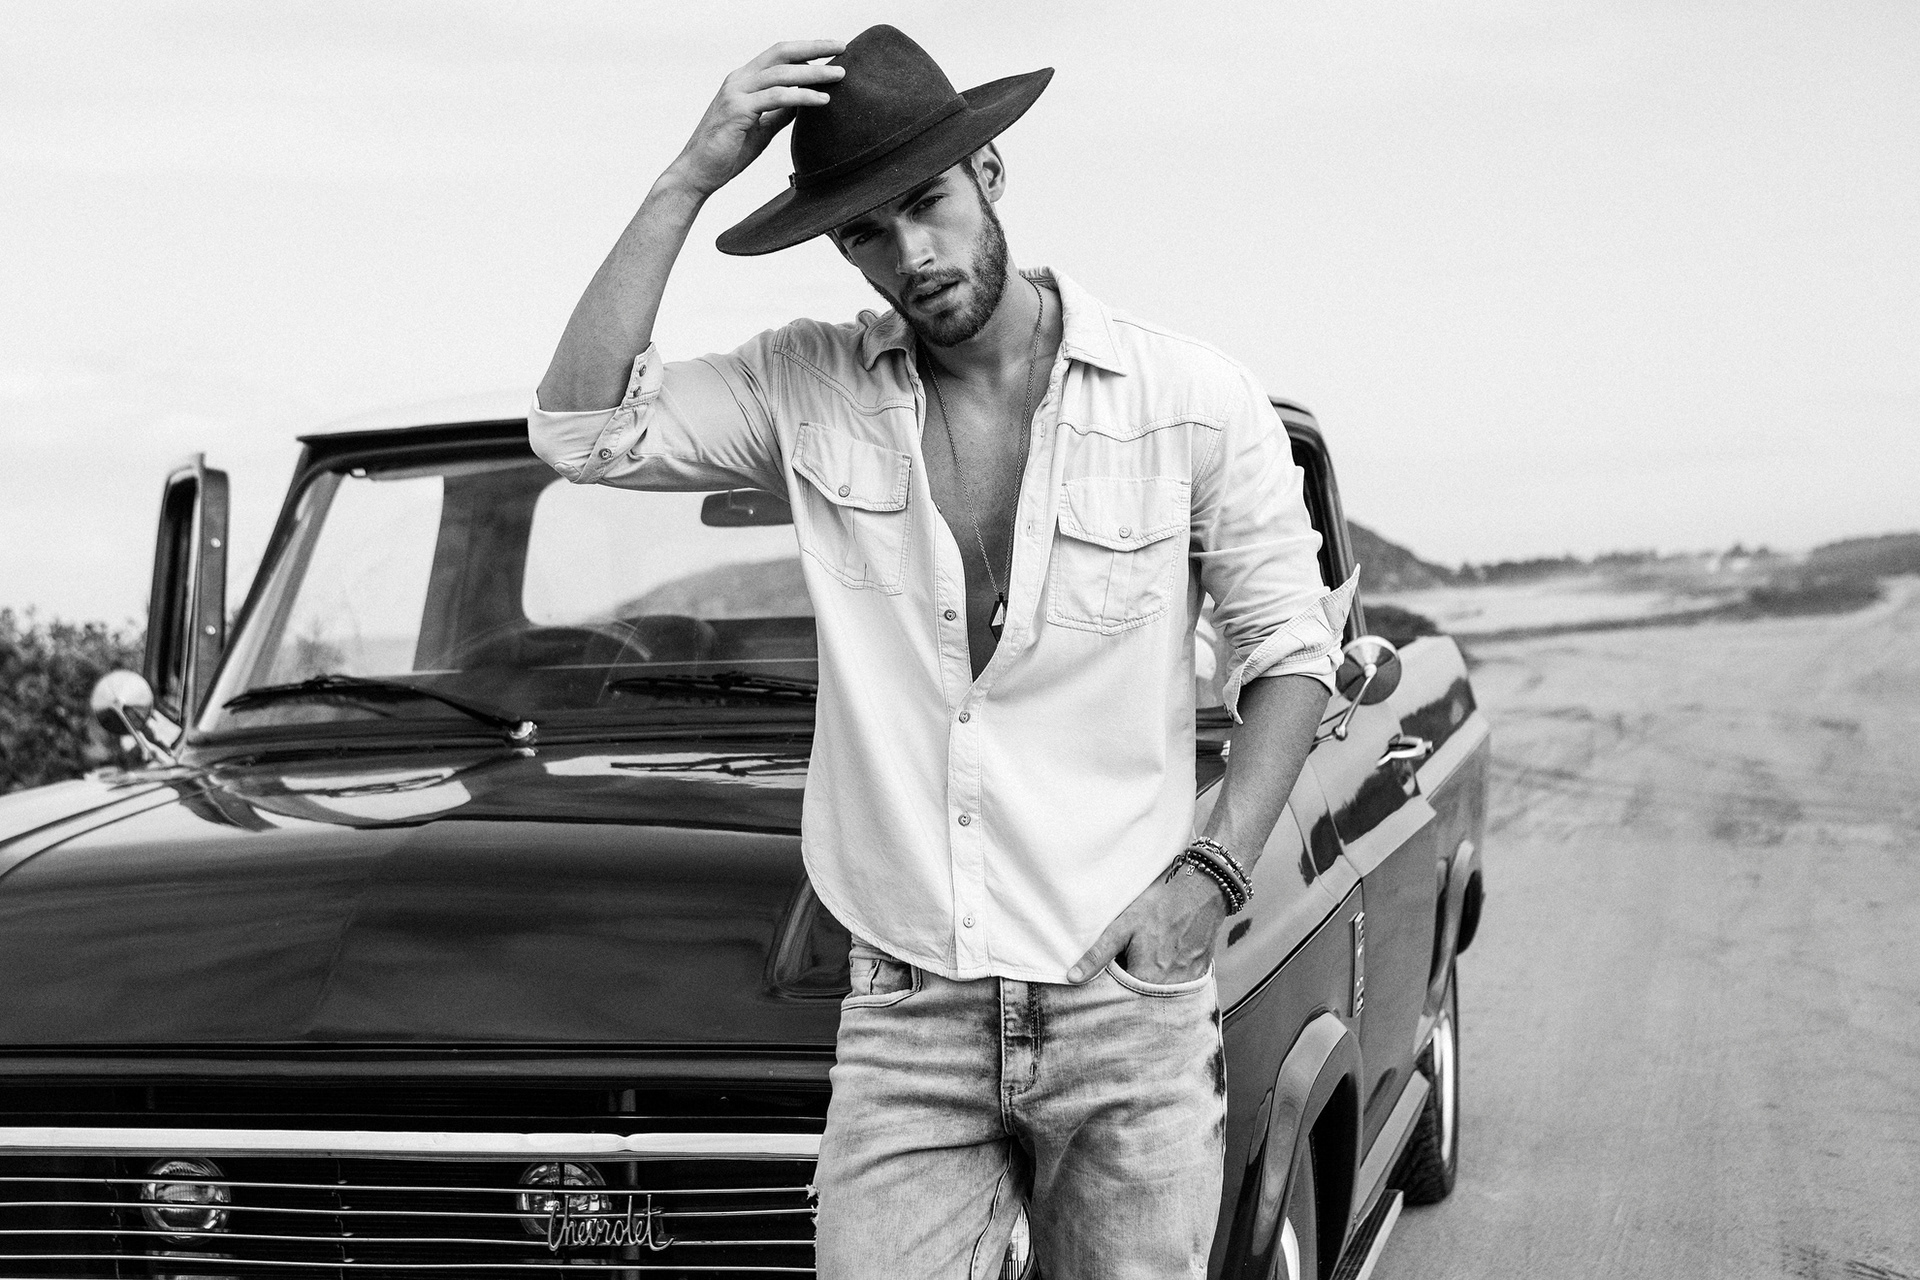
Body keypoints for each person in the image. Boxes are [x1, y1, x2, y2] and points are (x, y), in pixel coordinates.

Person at [529, 25, 1354, 1280]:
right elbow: (581, 430)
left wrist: (1208, 878)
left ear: (992, 176)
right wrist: (686, 180)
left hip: (1121, 991)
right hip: (909, 1003)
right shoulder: (805, 386)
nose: (911, 255)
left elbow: (1289, 644)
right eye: (867, 232)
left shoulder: (1187, 397)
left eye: (927, 205)